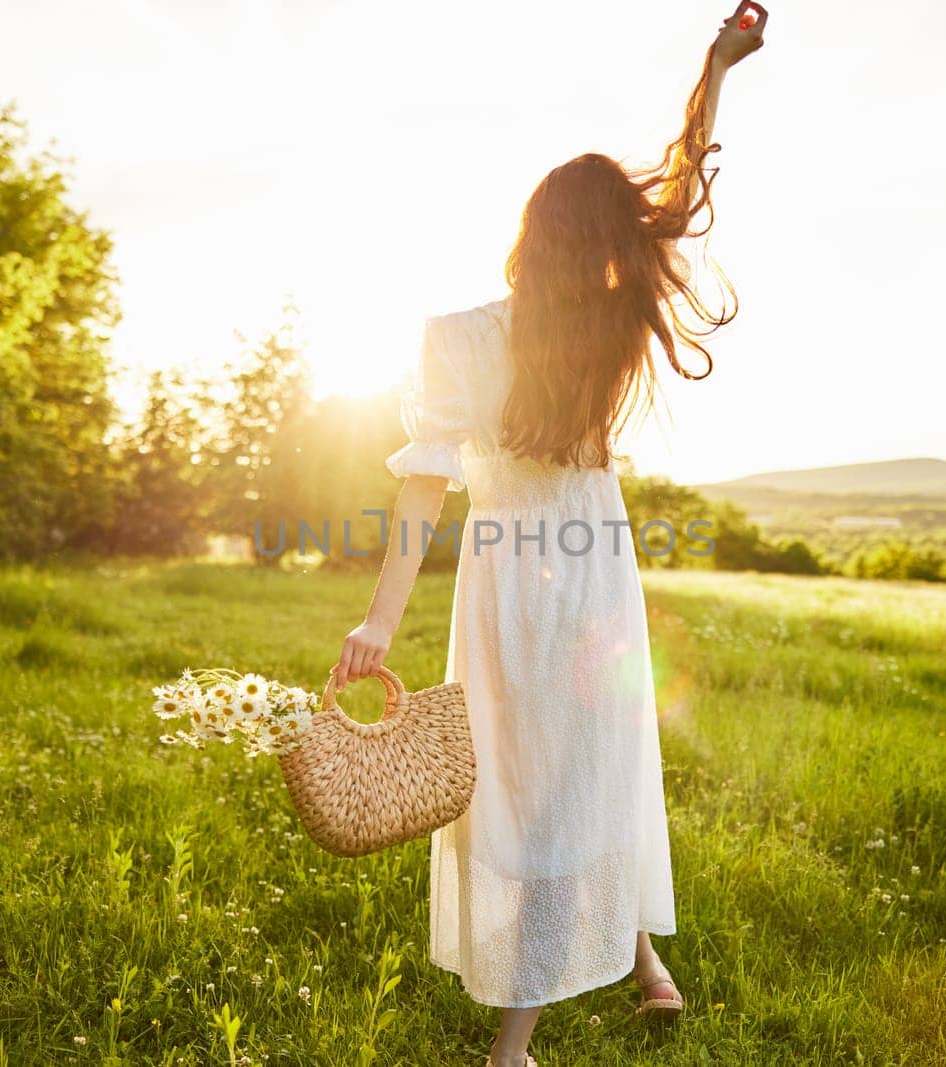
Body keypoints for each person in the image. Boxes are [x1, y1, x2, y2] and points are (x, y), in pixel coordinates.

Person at [334, 5, 769, 1064]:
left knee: (548, 775)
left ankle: (515, 1043)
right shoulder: (607, 325)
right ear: (602, 248)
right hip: (590, 561)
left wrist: (381, 617)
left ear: (529, 231)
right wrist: (714, 71)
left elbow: (425, 487)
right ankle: (637, 962)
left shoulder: (456, 337)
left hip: (516, 573)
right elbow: (677, 199)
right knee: (584, 758)